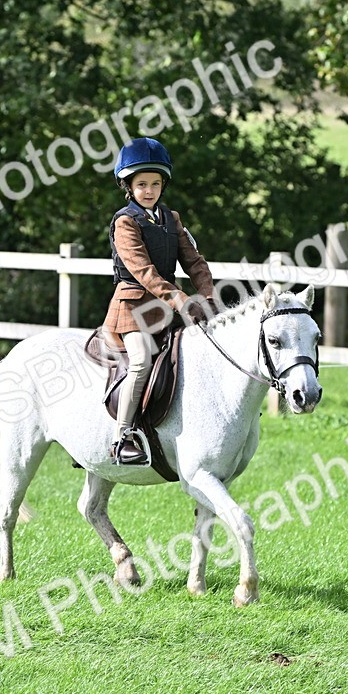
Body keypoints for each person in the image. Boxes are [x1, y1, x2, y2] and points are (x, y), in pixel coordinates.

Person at [102, 138, 215, 466]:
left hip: (169, 308)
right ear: (129, 187)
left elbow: (194, 261)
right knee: (141, 362)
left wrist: (206, 295)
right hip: (133, 309)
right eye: (141, 185)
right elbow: (143, 271)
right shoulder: (125, 222)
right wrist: (181, 299)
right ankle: (122, 436)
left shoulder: (171, 219)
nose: (149, 190)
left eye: (154, 184)